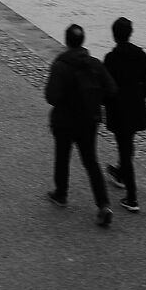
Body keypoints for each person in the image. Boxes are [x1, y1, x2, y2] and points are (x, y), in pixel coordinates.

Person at [44, 23, 115, 226]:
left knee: (62, 156)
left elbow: (51, 97)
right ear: (83, 41)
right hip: (88, 122)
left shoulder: (60, 65)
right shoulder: (95, 64)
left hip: (64, 121)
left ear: (66, 41)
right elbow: (111, 90)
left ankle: (61, 194)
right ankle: (103, 204)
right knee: (91, 162)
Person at [103, 17, 146, 214]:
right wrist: (139, 99)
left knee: (124, 149)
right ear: (130, 33)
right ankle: (120, 173)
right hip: (136, 109)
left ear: (114, 35)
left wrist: (107, 104)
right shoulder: (140, 55)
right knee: (128, 143)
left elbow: (106, 87)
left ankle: (132, 198)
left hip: (118, 110)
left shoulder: (111, 58)